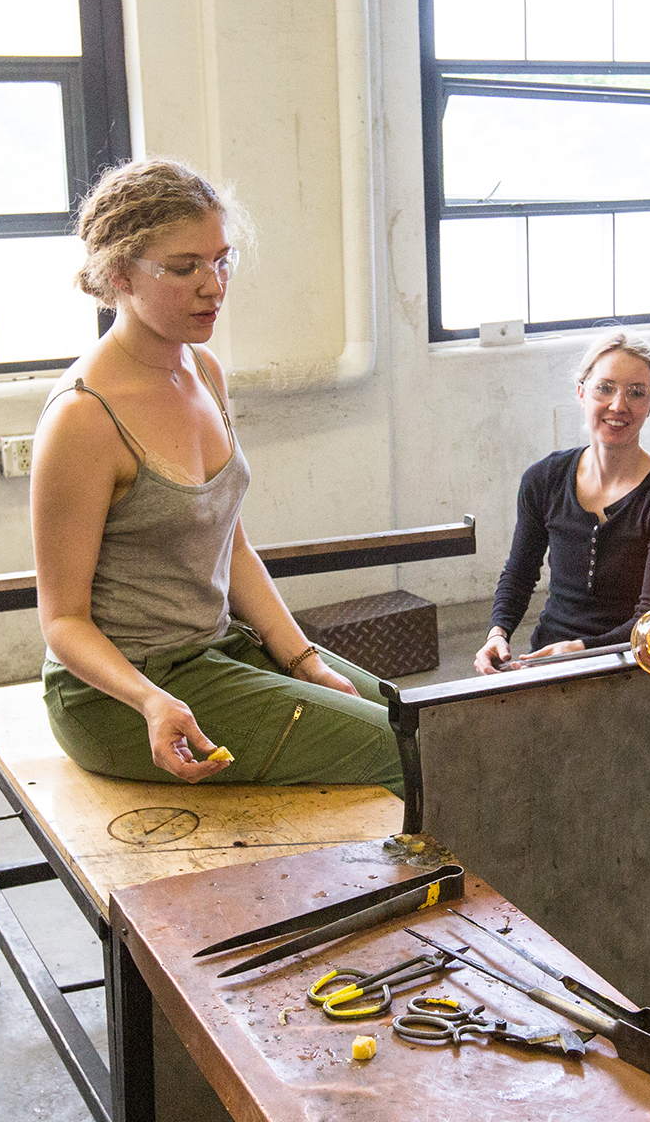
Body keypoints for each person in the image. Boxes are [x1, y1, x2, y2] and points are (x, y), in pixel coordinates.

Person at [29, 159, 401, 791]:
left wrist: (301, 657)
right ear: (119, 273)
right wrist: (149, 701)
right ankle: (404, 887)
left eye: (222, 260)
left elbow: (231, 545)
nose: (213, 286)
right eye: (184, 267)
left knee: (424, 724)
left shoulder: (204, 373)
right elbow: (63, 621)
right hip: (121, 695)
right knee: (404, 754)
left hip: (216, 651)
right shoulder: (84, 418)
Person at [474, 332, 650, 673]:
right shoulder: (544, 479)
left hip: (630, 662)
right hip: (548, 655)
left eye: (636, 392)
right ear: (582, 392)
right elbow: (519, 574)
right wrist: (497, 633)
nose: (618, 405)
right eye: (605, 388)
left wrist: (580, 650)